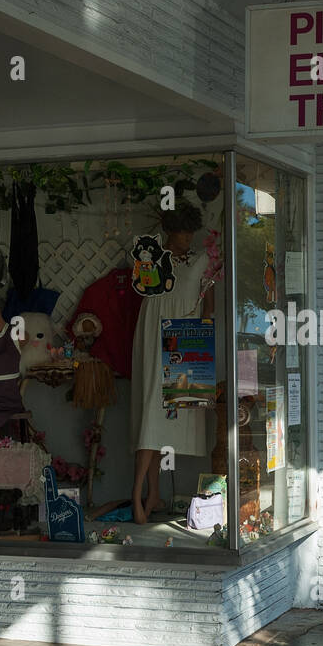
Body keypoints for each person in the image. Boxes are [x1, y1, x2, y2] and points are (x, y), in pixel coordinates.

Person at [129, 200, 214, 523]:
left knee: (172, 415)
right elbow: (142, 285)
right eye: (182, 232)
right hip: (153, 331)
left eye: (191, 232)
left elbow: (209, 299)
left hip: (187, 335)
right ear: (169, 231)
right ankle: (139, 493)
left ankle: (154, 494)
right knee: (152, 412)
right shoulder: (149, 256)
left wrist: (205, 333)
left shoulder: (202, 260)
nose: (188, 238)